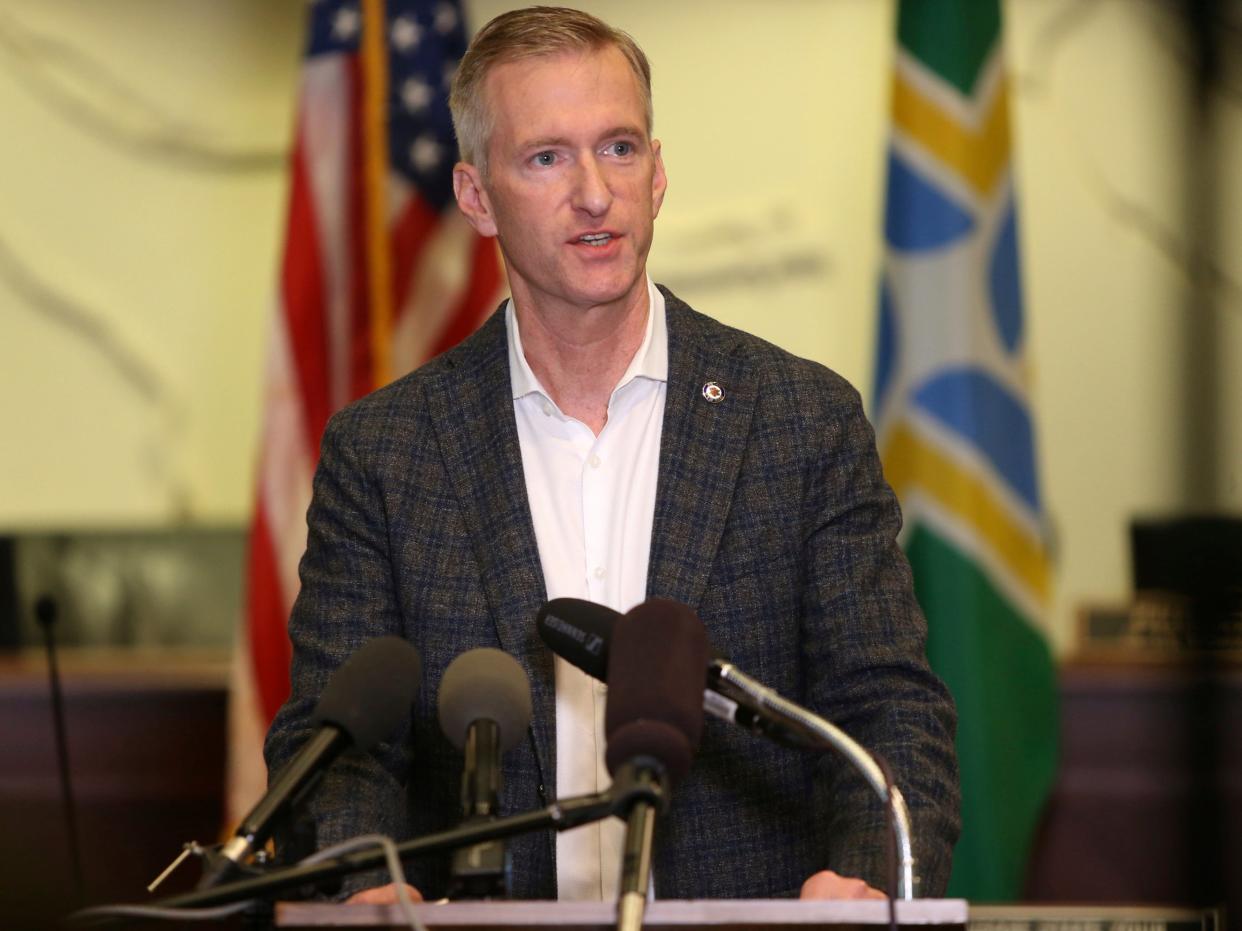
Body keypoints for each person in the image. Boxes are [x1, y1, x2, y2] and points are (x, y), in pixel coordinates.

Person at [264, 5, 959, 905]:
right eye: (548, 157)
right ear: (475, 196)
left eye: (620, 148)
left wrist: (866, 880)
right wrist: (360, 886)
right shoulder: (385, 453)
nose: (594, 192)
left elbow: (889, 711)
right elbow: (339, 751)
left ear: (658, 173)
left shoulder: (799, 419)